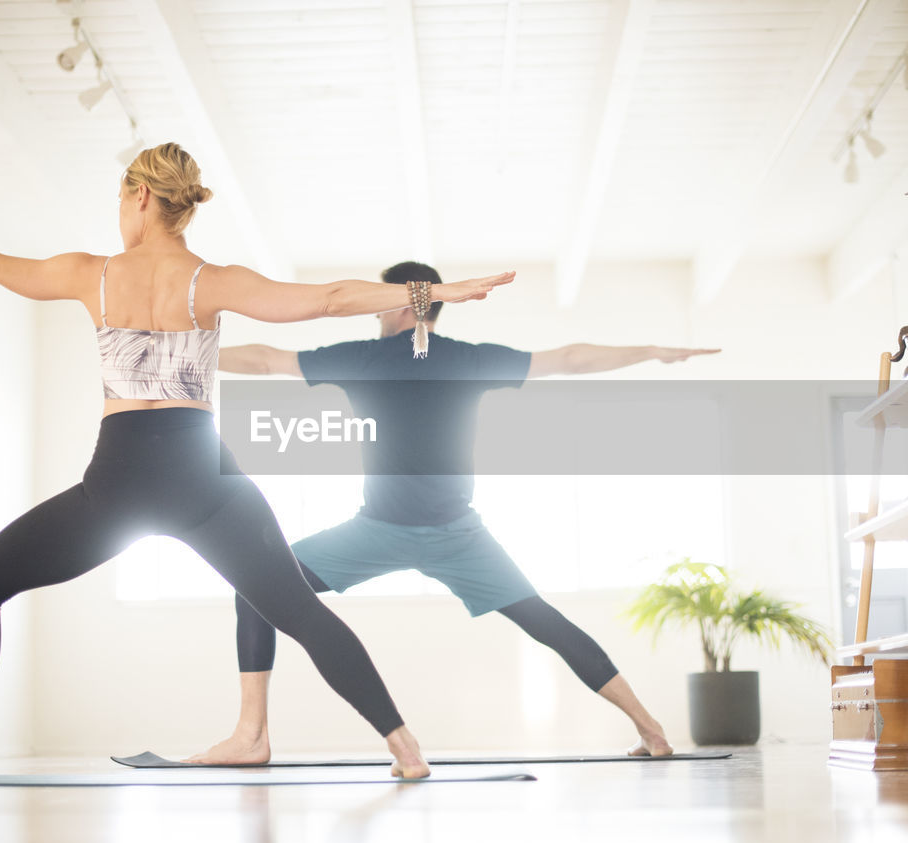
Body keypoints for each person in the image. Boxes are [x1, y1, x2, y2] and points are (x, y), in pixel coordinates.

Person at [0, 144, 513, 780]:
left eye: (120, 199)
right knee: (301, 612)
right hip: (205, 480)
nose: (119, 213)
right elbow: (330, 298)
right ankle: (406, 746)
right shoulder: (213, 282)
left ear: (140, 196)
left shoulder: (94, 274)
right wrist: (437, 292)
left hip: (118, 484)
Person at [192, 261, 719, 765]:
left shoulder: (364, 358)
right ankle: (651, 731)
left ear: (401, 305)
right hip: (451, 535)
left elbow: (264, 360)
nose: (376, 316)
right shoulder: (467, 358)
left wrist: (185, 350)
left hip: (389, 532)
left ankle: (251, 735)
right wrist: (652, 351)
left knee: (256, 590)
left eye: (381, 305)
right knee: (545, 622)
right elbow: (569, 359)